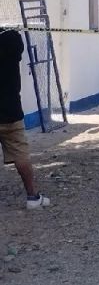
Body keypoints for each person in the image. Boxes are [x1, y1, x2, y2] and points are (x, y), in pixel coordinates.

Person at [0, 27, 51, 209]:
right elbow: (17, 46)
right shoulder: (11, 39)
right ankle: (32, 197)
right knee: (21, 154)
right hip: (10, 112)